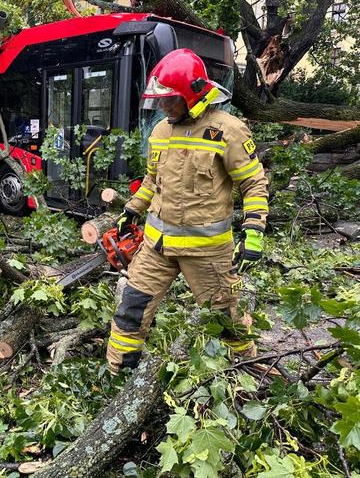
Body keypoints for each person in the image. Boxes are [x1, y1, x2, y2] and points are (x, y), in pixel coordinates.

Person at [107, 48, 269, 374]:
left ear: (193, 95)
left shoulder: (229, 130)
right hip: (157, 247)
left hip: (207, 253)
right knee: (131, 310)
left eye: (171, 100)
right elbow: (153, 180)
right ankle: (118, 376)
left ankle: (251, 371)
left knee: (226, 319)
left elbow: (254, 184)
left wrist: (253, 231)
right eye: (161, 100)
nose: (164, 106)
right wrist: (132, 209)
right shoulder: (161, 131)